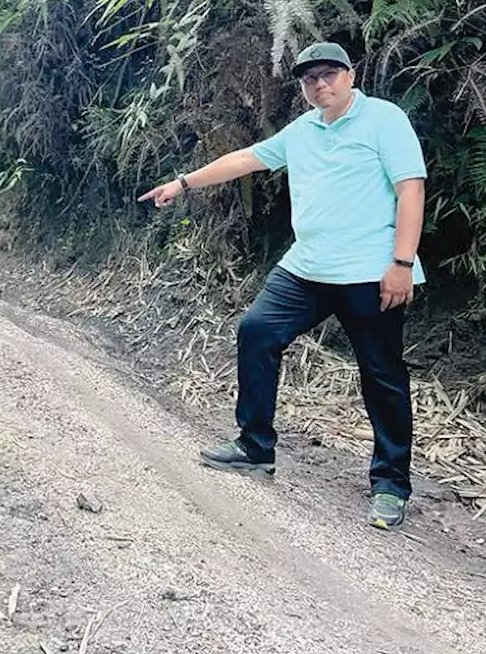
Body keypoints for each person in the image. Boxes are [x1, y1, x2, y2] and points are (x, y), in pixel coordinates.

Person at [139, 42, 426, 530]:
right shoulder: (303, 130)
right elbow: (246, 160)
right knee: (257, 331)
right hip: (306, 268)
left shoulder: (384, 119)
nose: (320, 84)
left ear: (350, 76)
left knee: (382, 375)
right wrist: (183, 183)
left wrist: (401, 262)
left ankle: (391, 484)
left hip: (369, 271)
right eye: (310, 78)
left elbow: (411, 187)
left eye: (329, 74)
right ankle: (255, 446)